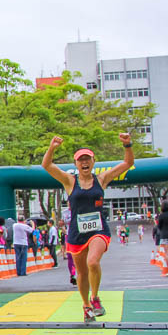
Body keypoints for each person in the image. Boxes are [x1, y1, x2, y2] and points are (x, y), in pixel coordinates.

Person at [42, 134, 133, 322]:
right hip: (77, 233)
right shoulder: (69, 181)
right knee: (81, 272)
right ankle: (86, 306)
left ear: (93, 162)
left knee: (93, 262)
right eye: (80, 160)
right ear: (76, 164)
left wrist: (127, 145)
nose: (84, 163)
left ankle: (95, 298)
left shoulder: (102, 179)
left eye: (87, 159)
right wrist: (51, 148)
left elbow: (127, 163)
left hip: (98, 230)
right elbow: (47, 166)